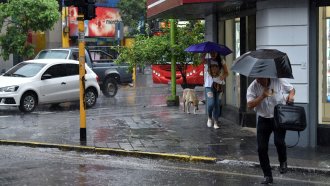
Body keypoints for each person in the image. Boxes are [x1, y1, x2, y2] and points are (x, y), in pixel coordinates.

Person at [246, 78, 295, 184]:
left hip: (278, 118)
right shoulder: (253, 86)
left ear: (266, 75)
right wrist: (262, 96)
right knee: (261, 148)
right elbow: (249, 105)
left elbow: (292, 89)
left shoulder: (278, 80)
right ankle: (267, 175)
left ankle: (283, 161)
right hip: (263, 119)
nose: (258, 79)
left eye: (260, 77)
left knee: (279, 142)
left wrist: (290, 96)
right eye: (257, 77)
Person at [202, 52, 228, 129]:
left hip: (219, 85)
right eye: (211, 52)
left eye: (215, 52)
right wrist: (203, 54)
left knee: (217, 104)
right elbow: (201, 61)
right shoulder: (207, 60)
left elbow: (227, 72)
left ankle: (216, 121)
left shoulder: (221, 61)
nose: (213, 54)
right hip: (209, 86)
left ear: (217, 53)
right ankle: (210, 117)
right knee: (211, 103)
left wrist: (223, 77)